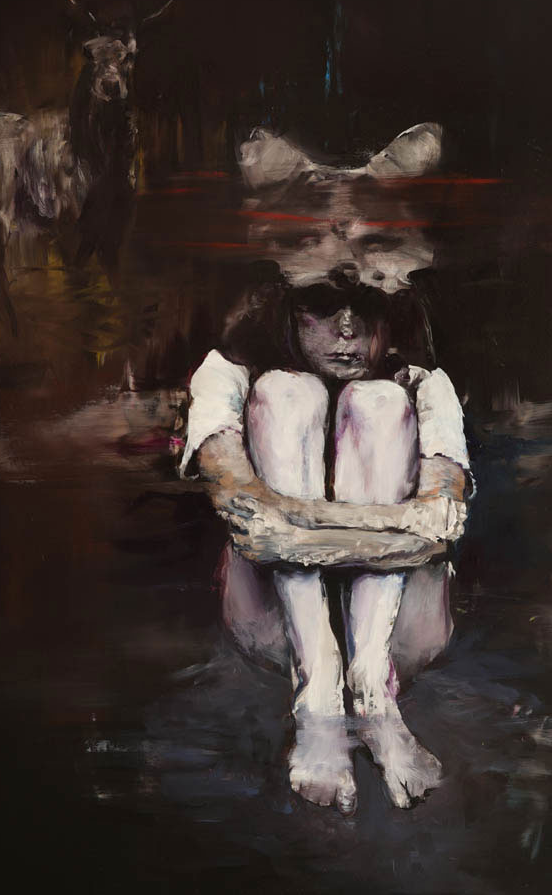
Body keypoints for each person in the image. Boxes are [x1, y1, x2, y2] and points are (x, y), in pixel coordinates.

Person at [180, 124, 473, 814]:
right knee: (286, 395)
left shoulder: (425, 383)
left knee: (378, 402)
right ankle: (316, 693)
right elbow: (249, 524)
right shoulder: (228, 372)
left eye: (366, 308)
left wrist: (297, 527)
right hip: (275, 630)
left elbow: (440, 519)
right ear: (286, 304)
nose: (345, 329)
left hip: (402, 637)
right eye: (320, 306)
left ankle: (373, 693)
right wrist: (391, 530)